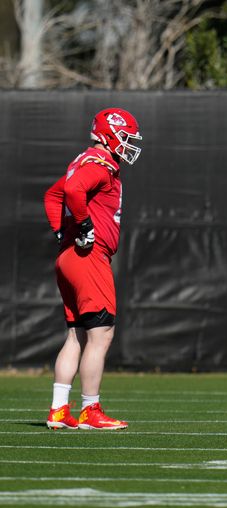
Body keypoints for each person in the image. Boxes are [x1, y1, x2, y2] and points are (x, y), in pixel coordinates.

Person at [43, 108, 142, 430]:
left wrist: (62, 232)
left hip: (69, 257)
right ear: (108, 134)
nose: (129, 145)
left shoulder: (86, 161)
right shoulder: (100, 165)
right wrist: (84, 227)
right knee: (101, 335)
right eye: (126, 137)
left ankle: (59, 410)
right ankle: (90, 410)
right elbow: (70, 192)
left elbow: (53, 193)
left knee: (76, 335)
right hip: (89, 256)